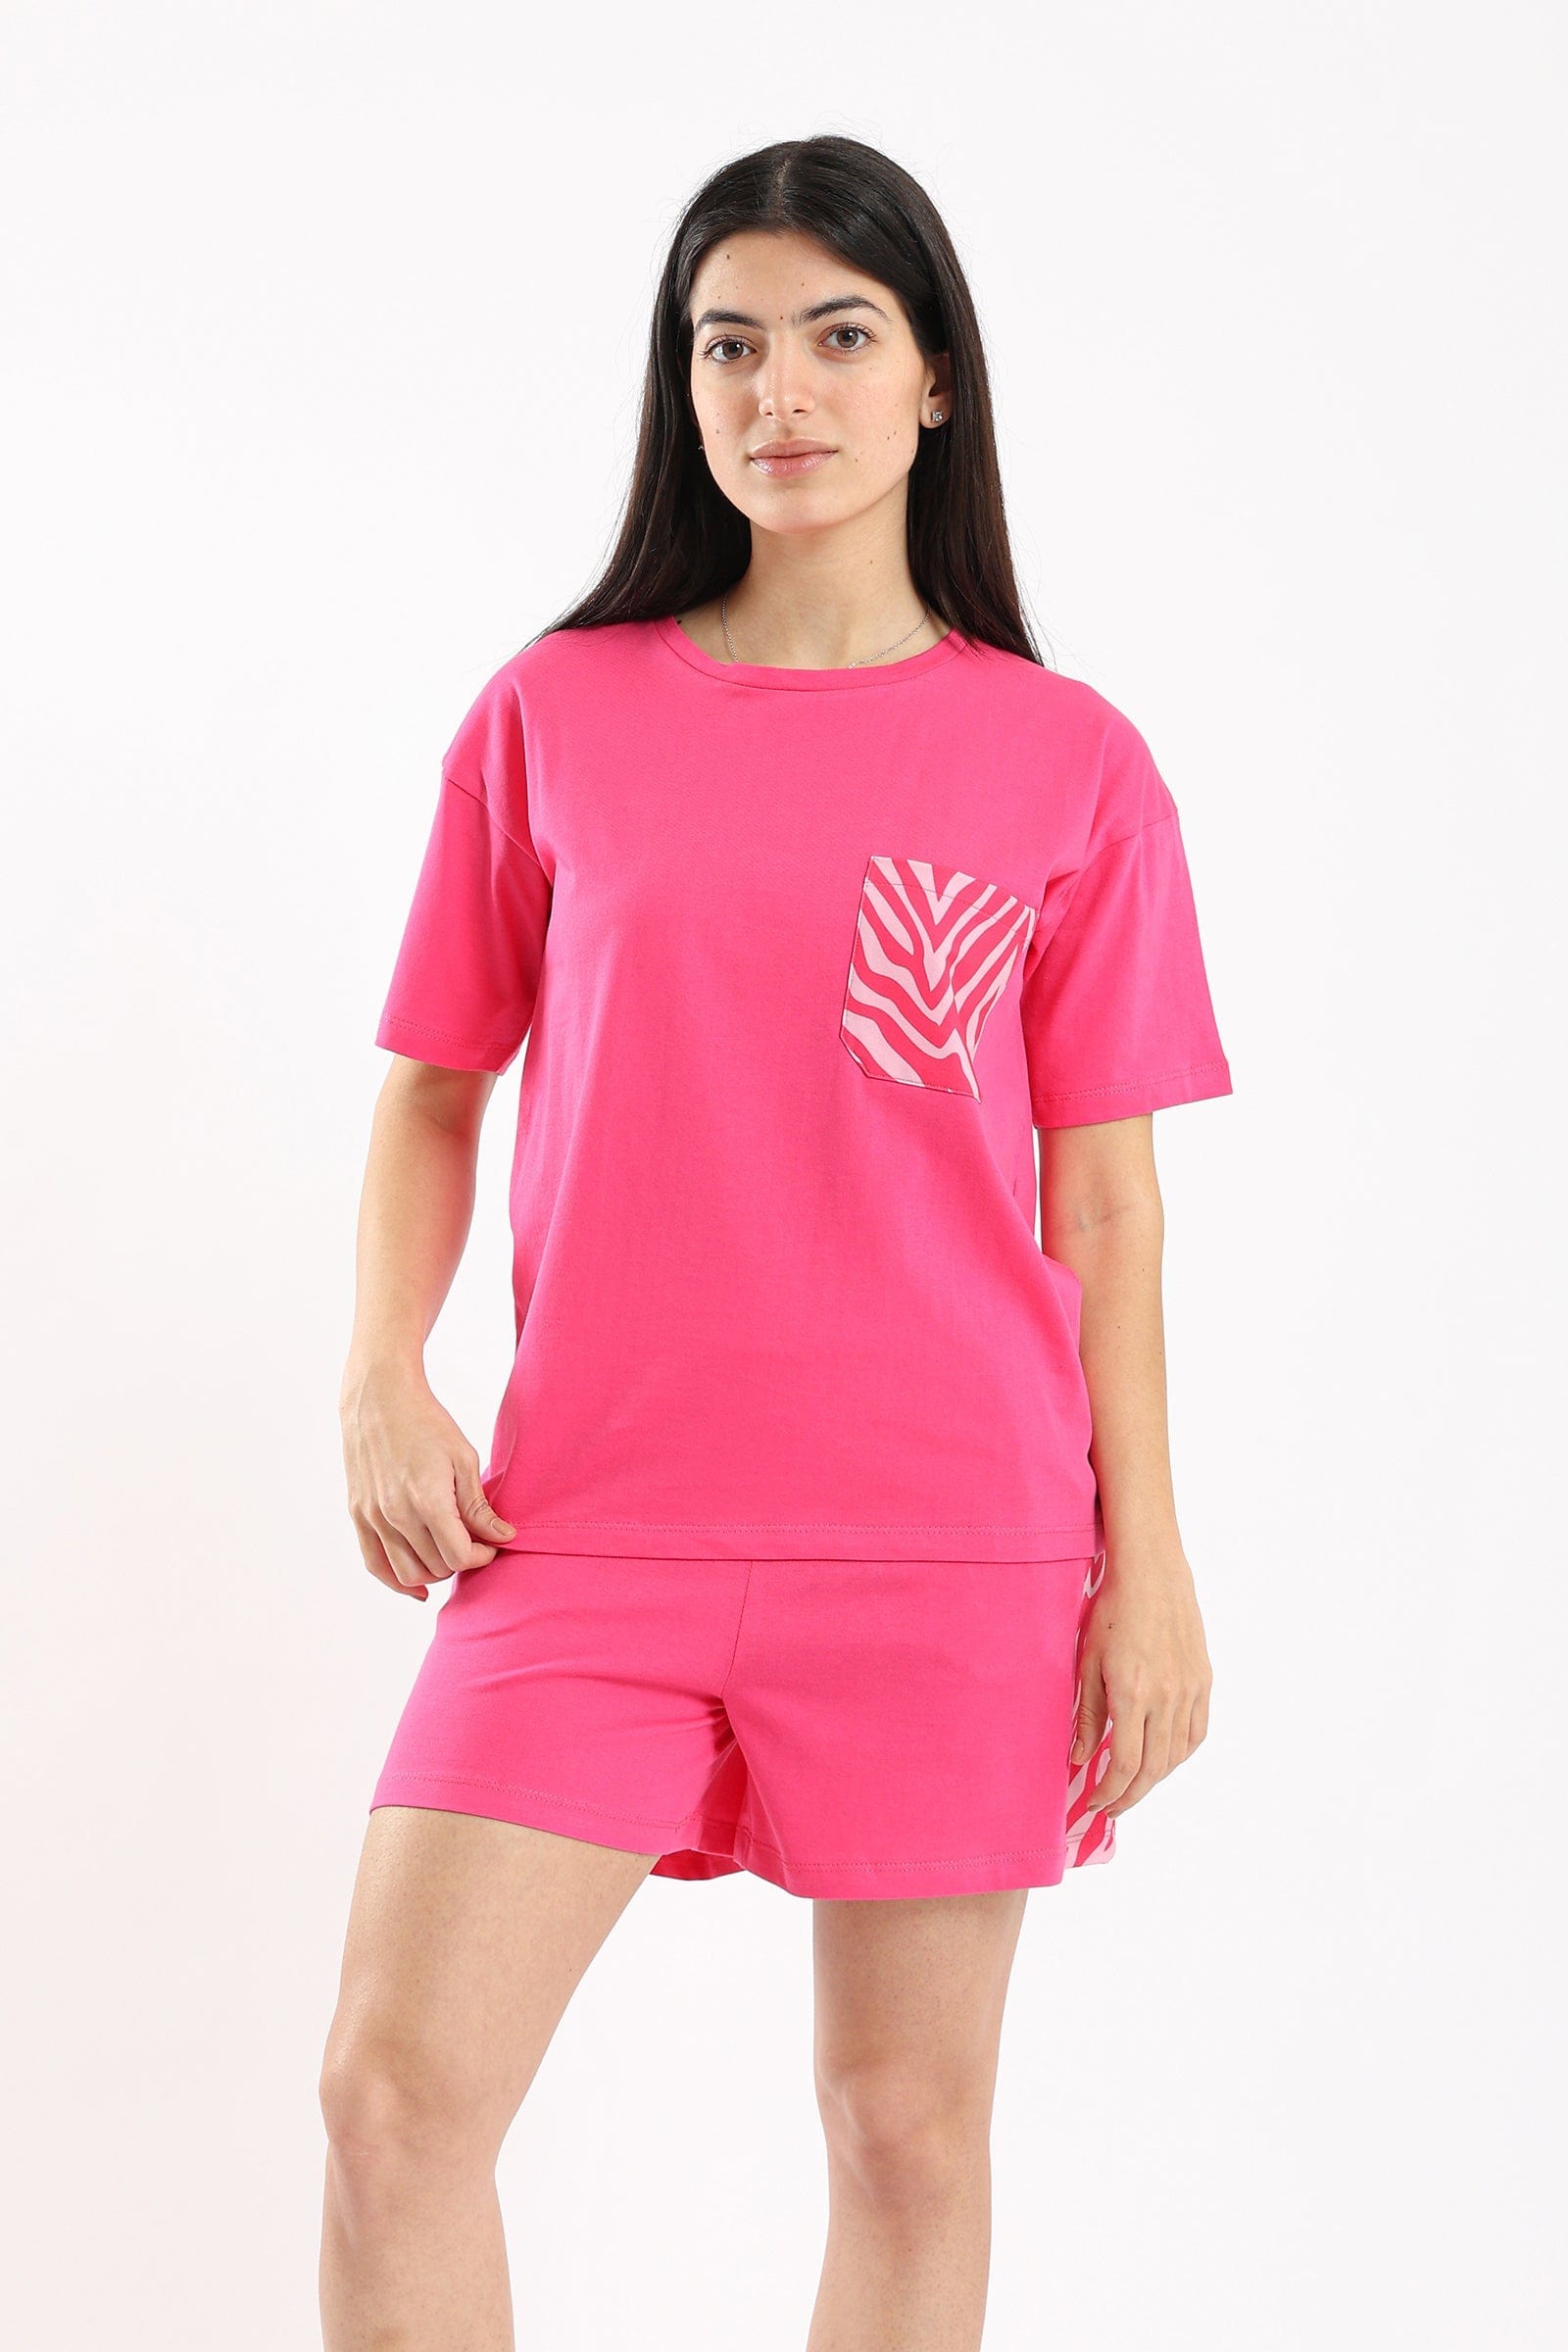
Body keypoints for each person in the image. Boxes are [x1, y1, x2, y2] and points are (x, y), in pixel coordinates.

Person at [318, 132, 1233, 2351]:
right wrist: (381, 1371)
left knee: (903, 2131)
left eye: (837, 336)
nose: (778, 391)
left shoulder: (1068, 763)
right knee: (393, 2101)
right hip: (585, 1525)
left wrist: (1150, 1563)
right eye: (725, 346)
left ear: (935, 380)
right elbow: (433, 1090)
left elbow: (1104, 1200)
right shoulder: (552, 714)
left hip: (949, 1535)